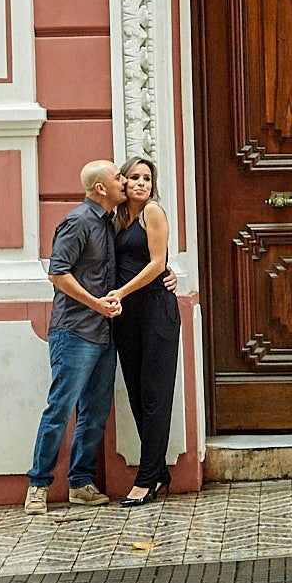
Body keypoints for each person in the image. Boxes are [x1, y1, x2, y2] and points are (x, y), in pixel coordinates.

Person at [24, 160, 127, 515]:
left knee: (95, 411)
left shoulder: (111, 222)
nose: (124, 180)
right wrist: (96, 304)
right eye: (118, 177)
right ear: (101, 188)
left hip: (102, 332)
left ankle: (81, 483)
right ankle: (38, 485)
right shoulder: (78, 221)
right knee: (61, 407)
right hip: (75, 331)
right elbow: (58, 273)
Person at [108, 156, 182, 506]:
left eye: (147, 178)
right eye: (134, 177)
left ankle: (146, 478)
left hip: (155, 311)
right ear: (123, 182)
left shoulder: (153, 212)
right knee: (137, 394)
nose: (141, 183)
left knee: (155, 396)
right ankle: (158, 472)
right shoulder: (118, 218)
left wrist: (121, 292)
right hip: (127, 318)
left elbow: (157, 263)